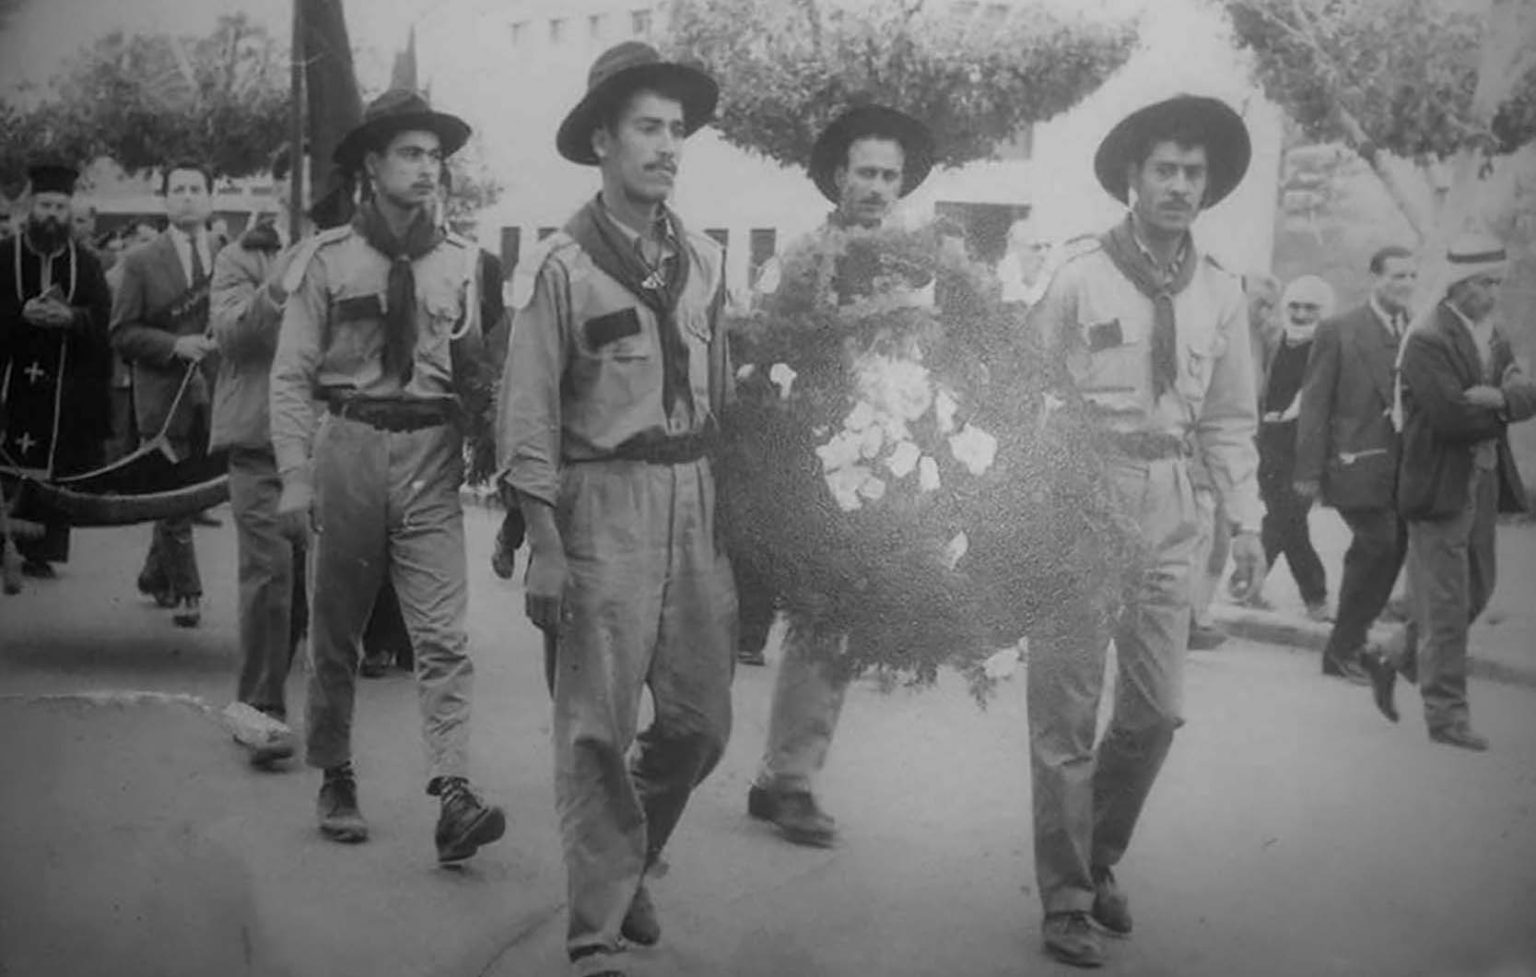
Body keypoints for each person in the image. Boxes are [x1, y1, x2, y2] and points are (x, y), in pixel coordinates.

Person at [498, 41, 733, 977]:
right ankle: (594, 933)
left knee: (701, 724)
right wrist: (545, 544)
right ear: (602, 140)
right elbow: (527, 417)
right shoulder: (559, 267)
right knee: (595, 729)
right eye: (648, 127)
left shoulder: (706, 261)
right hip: (601, 503)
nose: (668, 145)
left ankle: (625, 853)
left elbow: (723, 400)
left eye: (677, 130)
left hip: (694, 500)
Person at [1023, 94, 1264, 968]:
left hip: (1170, 499)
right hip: (1083, 492)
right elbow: (1020, 389)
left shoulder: (1221, 291)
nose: (1179, 185)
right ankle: (1066, 898)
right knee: (1066, 711)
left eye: (1194, 172)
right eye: (1164, 168)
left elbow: (1230, 419)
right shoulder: (1078, 276)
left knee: (1156, 712)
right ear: (1133, 178)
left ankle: (1097, 854)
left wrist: (1247, 520)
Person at [270, 89, 504, 859]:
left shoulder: (465, 263)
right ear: (372, 165)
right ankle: (336, 771)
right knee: (335, 630)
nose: (427, 167)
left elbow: (477, 368)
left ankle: (454, 789)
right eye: (410, 152)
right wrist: (295, 474)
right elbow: (290, 376)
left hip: (431, 456)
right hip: (350, 447)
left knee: (442, 633)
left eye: (434, 155)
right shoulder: (326, 260)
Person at [739, 103, 938, 848]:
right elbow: (766, 356)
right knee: (822, 617)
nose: (879, 187)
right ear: (838, 176)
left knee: (842, 622)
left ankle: (783, 773)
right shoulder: (804, 260)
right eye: (866, 173)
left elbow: (921, 352)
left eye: (891, 175)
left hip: (883, 456)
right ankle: (788, 780)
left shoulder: (914, 264)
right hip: (812, 456)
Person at [1385, 233, 1536, 748]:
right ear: (1458, 284)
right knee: (1447, 606)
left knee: (1477, 591)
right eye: (1484, 283)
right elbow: (1450, 416)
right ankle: (1446, 715)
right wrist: (1506, 402)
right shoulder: (1428, 338)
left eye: (1497, 283)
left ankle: (1394, 656)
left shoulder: (1494, 333)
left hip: (1485, 482)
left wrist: (1498, 399)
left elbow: (1527, 392)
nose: (1493, 293)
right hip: (1439, 485)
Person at [208, 143, 309, 765]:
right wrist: (278, 284)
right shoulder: (240, 256)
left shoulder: (352, 252)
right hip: (260, 440)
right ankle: (260, 712)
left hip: (328, 439)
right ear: (276, 189)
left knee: (315, 588)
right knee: (270, 576)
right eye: (298, 178)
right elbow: (231, 336)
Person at [1293, 246, 1417, 683]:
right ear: (1374, 278)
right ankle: (1342, 649)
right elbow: (1315, 403)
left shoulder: (1415, 330)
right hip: (1353, 464)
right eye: (1396, 276)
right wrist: (1308, 471)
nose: (1405, 285)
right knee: (1377, 544)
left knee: (1393, 548)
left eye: (1411, 276)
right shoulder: (1339, 329)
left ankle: (1352, 643)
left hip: (1401, 469)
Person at [111, 160, 221, 627]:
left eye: (196, 189)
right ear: (165, 199)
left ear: (210, 198)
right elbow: (121, 332)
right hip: (161, 394)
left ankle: (156, 574)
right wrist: (174, 345)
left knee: (189, 489)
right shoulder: (141, 261)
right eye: (178, 190)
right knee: (171, 486)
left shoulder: (229, 255)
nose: (188, 197)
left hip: (213, 391)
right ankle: (189, 591)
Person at [0, 163, 114, 577]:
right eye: (45, 205)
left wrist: (72, 318)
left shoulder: (87, 264)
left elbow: (104, 320)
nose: (52, 215)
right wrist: (19, 313)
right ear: (31, 207)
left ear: (70, 211)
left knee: (57, 464)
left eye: (60, 207)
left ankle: (41, 551)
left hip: (63, 386)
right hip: (10, 379)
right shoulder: (3, 255)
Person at [1246, 274, 1335, 617]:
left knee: (1287, 518)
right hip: (1270, 444)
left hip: (1307, 446)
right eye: (1294, 306)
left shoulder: (1330, 347)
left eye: (1310, 308)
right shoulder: (1277, 340)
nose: (1300, 314)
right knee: (1286, 518)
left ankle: (1251, 582)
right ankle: (1311, 596)